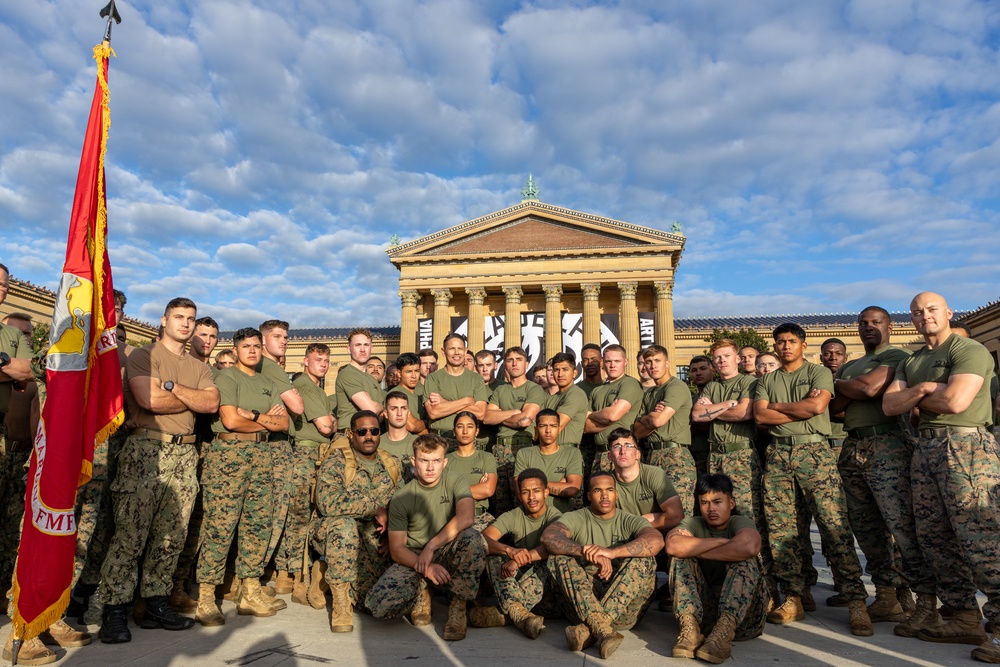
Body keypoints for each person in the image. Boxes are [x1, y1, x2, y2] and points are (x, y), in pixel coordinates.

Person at [884, 293, 1000, 662]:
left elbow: (956, 403)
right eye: (917, 312)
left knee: (981, 540)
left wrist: (916, 398)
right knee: (936, 538)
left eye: (932, 309)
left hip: (966, 449)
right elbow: (890, 405)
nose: (924, 316)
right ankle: (963, 616)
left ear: (947, 313)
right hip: (927, 450)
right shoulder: (914, 360)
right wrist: (926, 388)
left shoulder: (968, 350)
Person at [97, 298, 220, 643]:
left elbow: (211, 404)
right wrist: (189, 398)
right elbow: (147, 400)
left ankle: (155, 602)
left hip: (184, 455)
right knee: (129, 535)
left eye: (190, 319)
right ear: (164, 321)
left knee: (171, 537)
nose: (185, 323)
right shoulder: (143, 355)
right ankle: (115, 608)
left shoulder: (199, 366)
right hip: (146, 451)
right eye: (179, 317)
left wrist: (169, 386)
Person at [754, 322, 871, 636]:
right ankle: (793, 596)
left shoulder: (819, 373)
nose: (785, 347)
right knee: (782, 530)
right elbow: (762, 416)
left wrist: (780, 407)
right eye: (780, 342)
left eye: (791, 341)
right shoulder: (767, 380)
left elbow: (818, 406)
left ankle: (856, 600)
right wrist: (797, 409)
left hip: (815, 453)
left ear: (803, 345)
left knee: (834, 526)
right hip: (778, 456)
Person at [830, 307, 930, 630]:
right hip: (853, 447)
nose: (869, 327)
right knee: (867, 528)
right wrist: (853, 384)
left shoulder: (897, 355)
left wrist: (846, 385)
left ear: (890, 326)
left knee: (900, 525)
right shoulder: (852, 366)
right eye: (863, 323)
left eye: (876, 322)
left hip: (887, 445)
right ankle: (887, 595)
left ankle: (923, 599)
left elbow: (869, 390)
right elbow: (835, 408)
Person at [195, 327, 289, 626]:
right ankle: (206, 597)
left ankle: (250, 590)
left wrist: (254, 416)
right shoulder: (226, 378)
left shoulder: (266, 381)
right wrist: (263, 421)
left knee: (257, 525)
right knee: (220, 527)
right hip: (228, 458)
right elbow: (230, 420)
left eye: (256, 346)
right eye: (246, 346)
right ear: (235, 351)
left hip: (261, 457)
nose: (252, 351)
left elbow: (283, 422)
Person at [365, 434, 486, 642]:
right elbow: (397, 549)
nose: (430, 468)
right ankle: (422, 588)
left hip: (446, 549)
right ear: (414, 462)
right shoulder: (402, 497)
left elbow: (466, 517)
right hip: (415, 557)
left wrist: (432, 546)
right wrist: (426, 568)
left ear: (444, 462)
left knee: (473, 539)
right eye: (424, 460)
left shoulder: (456, 480)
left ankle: (458, 606)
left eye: (436, 461)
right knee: (379, 605)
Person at [541, 472, 663, 659]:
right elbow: (549, 537)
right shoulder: (577, 517)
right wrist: (585, 551)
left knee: (644, 558)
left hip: (624, 610)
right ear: (589, 496)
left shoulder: (629, 519)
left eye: (609, 490)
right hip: (584, 603)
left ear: (617, 494)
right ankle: (602, 629)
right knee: (558, 558)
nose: (605, 496)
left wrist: (612, 552)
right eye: (598, 490)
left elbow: (656, 541)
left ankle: (593, 628)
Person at [312, 410, 402, 632]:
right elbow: (327, 502)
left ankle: (324, 573)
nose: (368, 436)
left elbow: (404, 505)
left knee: (373, 603)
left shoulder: (392, 463)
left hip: (374, 537)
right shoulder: (338, 462)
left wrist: (394, 538)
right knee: (345, 526)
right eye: (362, 431)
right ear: (352, 434)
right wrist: (375, 508)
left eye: (374, 431)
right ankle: (341, 603)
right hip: (338, 534)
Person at [666, 473, 768, 663]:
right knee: (679, 559)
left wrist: (695, 548)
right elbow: (673, 546)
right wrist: (723, 542)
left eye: (717, 501)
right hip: (705, 616)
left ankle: (723, 633)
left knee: (746, 559)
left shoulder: (740, 522)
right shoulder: (694, 523)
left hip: (744, 621)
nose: (711, 508)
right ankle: (690, 630)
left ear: (731, 503)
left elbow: (748, 546)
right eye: (704, 503)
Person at [473, 468, 564, 638]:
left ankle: (505, 615)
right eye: (525, 492)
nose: (531, 497)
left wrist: (519, 560)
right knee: (494, 557)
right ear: (519, 495)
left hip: (547, 593)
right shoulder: (514, 515)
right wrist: (509, 550)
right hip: (519, 582)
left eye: (536, 491)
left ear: (546, 493)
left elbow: (552, 546)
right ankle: (519, 614)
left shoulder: (555, 516)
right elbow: (483, 539)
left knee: (552, 560)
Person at [287, 343, 337, 604]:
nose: (323, 364)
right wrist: (332, 419)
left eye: (326, 360)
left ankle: (299, 574)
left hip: (315, 455)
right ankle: (296, 577)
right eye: (318, 360)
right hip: (307, 456)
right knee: (301, 517)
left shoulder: (314, 388)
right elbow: (327, 426)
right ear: (305, 362)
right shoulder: (307, 388)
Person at [257, 319, 304, 595]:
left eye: (285, 336)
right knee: (272, 514)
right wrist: (293, 394)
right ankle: (251, 578)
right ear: (264, 340)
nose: (284, 341)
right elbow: (297, 405)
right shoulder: (271, 367)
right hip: (272, 447)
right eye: (277, 336)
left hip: (268, 443)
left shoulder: (267, 368)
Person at [634, 344, 695, 514]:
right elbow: (637, 432)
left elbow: (659, 420)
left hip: (675, 456)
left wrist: (648, 419)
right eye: (648, 362)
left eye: (657, 361)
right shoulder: (649, 393)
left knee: (679, 515)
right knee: (654, 512)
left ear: (667, 363)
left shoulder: (675, 387)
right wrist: (650, 417)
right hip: (652, 456)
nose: (652, 366)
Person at [486, 346, 547, 514]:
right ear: (505, 365)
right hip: (499, 450)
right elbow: (487, 417)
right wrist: (514, 412)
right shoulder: (500, 389)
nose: (514, 364)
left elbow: (525, 421)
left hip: (522, 448)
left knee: (522, 498)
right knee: (500, 502)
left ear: (526, 364)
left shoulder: (533, 389)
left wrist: (499, 415)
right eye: (510, 360)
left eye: (519, 360)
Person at [607, 428, 683, 532]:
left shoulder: (654, 474)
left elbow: (676, 516)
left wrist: (640, 525)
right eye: (617, 446)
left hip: (656, 533)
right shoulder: (606, 482)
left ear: (638, 454)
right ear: (609, 455)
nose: (623, 451)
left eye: (628, 446)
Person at [585, 345, 644, 473]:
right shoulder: (597, 390)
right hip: (599, 454)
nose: (612, 365)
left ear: (625, 362)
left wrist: (592, 414)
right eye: (608, 361)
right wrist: (606, 415)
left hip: (622, 453)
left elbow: (613, 415)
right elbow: (586, 427)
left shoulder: (629, 383)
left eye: (617, 361)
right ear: (602, 363)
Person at [424, 333, 490, 444]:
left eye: (460, 348)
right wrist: (467, 401)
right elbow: (434, 412)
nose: (456, 352)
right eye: (451, 349)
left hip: (468, 440)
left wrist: (445, 402)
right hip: (439, 439)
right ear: (443, 352)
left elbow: (480, 413)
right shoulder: (433, 378)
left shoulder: (476, 379)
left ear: (465, 350)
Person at [514, 409, 584, 512]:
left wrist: (534, 487)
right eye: (543, 426)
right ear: (536, 429)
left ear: (559, 429)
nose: (548, 430)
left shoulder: (572, 453)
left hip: (562, 516)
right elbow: (520, 491)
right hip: (532, 516)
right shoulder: (524, 454)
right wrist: (559, 484)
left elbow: (573, 489)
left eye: (553, 426)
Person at [446, 411, 498, 530]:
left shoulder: (486, 457)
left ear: (477, 431)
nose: (465, 431)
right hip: (453, 517)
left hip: (480, 517)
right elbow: (444, 493)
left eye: (470, 426)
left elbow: (488, 489)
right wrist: (478, 488)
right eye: (460, 427)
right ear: (454, 431)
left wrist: (455, 490)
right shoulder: (446, 461)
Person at [336, 328, 385, 430]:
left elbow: (380, 418)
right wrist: (381, 406)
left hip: (370, 433)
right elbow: (371, 409)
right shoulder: (348, 374)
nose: (362, 349)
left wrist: (377, 406)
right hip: (350, 434)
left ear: (372, 348)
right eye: (358, 345)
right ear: (349, 349)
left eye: (366, 345)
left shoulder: (371, 378)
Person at [547, 352, 589, 448]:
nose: (560, 374)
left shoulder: (576, 394)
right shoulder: (552, 398)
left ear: (574, 373)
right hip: (549, 450)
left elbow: (556, 426)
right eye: (557, 370)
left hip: (567, 451)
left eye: (565, 369)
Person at [688, 355, 715, 479]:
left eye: (703, 368)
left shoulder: (720, 395)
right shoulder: (690, 400)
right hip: (694, 457)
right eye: (694, 370)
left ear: (712, 370)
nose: (698, 373)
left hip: (714, 455)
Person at [380, 390, 418, 477]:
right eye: (394, 409)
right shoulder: (377, 444)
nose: (399, 414)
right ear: (386, 414)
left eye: (403, 408)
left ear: (408, 413)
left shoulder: (418, 443)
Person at [391, 352, 427, 434]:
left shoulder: (422, 392)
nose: (414, 376)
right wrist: (429, 423)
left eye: (417, 371)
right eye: (409, 372)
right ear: (399, 373)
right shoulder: (395, 395)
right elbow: (412, 426)